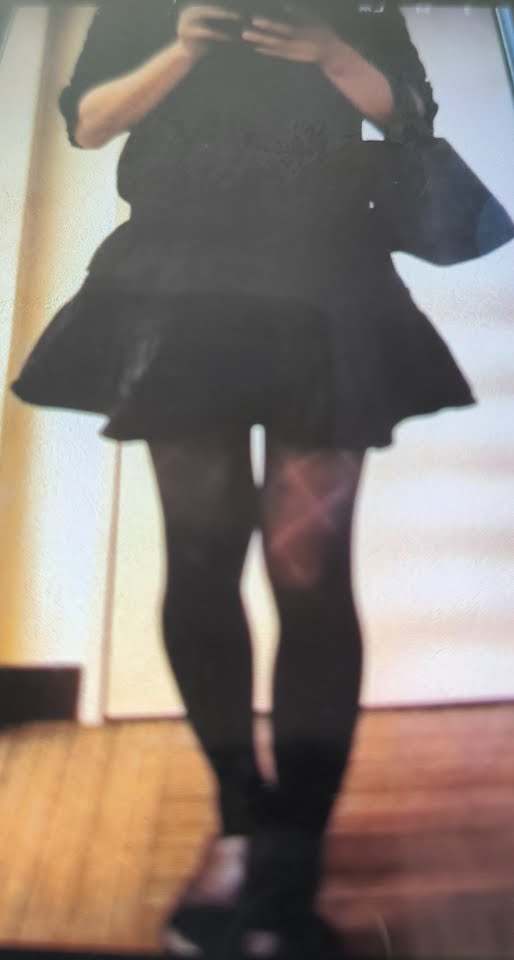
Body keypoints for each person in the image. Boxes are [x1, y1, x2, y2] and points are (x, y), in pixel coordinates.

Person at [11, 1, 477, 956]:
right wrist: (182, 48)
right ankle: (236, 821)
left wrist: (331, 48)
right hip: (177, 293)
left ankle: (288, 867)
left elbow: (411, 114)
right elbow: (87, 122)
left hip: (327, 291)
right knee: (200, 561)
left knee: (310, 576)